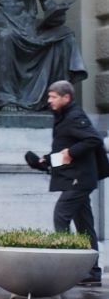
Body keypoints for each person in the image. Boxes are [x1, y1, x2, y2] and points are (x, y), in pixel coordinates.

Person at [26, 79, 107, 286]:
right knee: (85, 225)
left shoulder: (74, 116)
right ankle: (92, 272)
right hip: (78, 178)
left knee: (61, 216)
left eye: (53, 97)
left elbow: (93, 139)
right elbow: (64, 152)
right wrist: (44, 161)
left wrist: (71, 152)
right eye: (49, 96)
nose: (49, 100)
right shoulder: (64, 118)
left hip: (79, 179)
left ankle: (67, 268)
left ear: (66, 97)